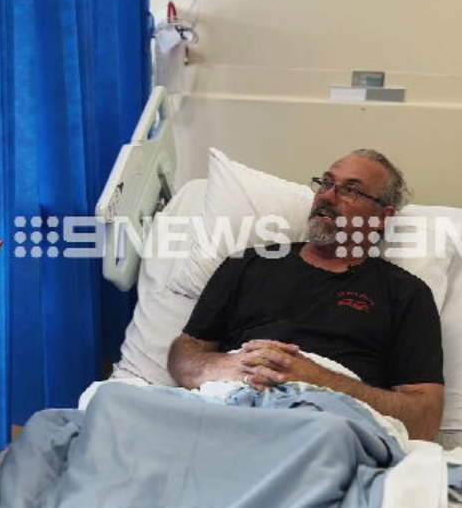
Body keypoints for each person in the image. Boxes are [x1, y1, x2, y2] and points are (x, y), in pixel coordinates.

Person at [167, 149, 444, 441]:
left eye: (350, 190)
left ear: (381, 217)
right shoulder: (247, 264)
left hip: (326, 424)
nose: (326, 196)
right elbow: (185, 351)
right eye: (325, 183)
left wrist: (321, 381)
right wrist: (226, 367)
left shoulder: (405, 294)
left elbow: (425, 419)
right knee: (117, 400)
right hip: (230, 406)